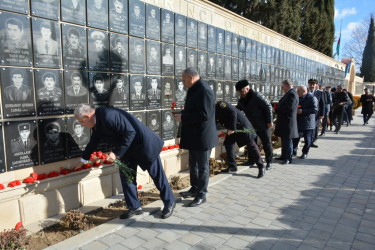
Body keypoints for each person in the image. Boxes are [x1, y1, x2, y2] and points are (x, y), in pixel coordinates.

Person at [73, 104, 175, 219]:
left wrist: (115, 153)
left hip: (143, 145)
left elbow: (130, 132)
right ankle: (134, 207)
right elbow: (93, 141)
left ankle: (169, 202)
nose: (82, 125)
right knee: (127, 178)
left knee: (157, 175)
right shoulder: (98, 121)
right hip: (127, 150)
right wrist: (82, 161)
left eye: (81, 121)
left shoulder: (108, 115)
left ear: (87, 116)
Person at [173, 67, 217, 207]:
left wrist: (183, 117)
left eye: (184, 79)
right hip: (194, 136)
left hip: (202, 137)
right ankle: (195, 188)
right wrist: (182, 113)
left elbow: (204, 115)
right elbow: (195, 109)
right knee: (193, 164)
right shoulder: (194, 88)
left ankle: (202, 194)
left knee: (203, 167)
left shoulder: (204, 90)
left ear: (191, 78)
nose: (183, 82)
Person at [215, 101, 265, 178]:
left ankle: (261, 166)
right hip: (232, 128)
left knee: (251, 145)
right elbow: (214, 122)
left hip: (241, 126)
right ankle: (232, 166)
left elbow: (233, 112)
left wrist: (232, 128)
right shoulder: (213, 110)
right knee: (228, 144)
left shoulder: (220, 104)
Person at [236, 79, 273, 170]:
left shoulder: (257, 96)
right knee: (251, 143)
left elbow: (268, 107)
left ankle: (269, 162)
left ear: (247, 89)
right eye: (239, 91)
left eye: (241, 91)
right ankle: (251, 160)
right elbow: (237, 110)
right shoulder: (241, 100)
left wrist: (269, 121)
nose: (240, 93)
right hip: (250, 126)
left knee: (266, 143)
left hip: (263, 124)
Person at [274, 79, 298, 165]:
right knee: (284, 139)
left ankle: (288, 158)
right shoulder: (289, 93)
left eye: (282, 87)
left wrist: (277, 109)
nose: (282, 88)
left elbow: (289, 107)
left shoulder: (292, 94)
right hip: (285, 121)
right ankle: (283, 155)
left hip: (288, 122)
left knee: (287, 140)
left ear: (287, 86)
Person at [292, 86, 318, 159]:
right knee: (296, 137)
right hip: (299, 121)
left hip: (308, 122)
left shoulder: (312, 98)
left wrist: (303, 111)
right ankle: (294, 151)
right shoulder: (298, 98)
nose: (297, 93)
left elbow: (315, 110)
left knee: (307, 138)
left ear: (304, 91)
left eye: (299, 91)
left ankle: (305, 152)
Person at [307, 79, 325, 148]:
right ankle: (308, 140)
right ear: (308, 84)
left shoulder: (319, 93)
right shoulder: (305, 91)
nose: (312, 86)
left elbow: (322, 104)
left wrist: (322, 114)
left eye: (313, 84)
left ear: (316, 85)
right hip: (307, 113)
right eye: (310, 84)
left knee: (315, 127)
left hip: (316, 114)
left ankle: (312, 141)